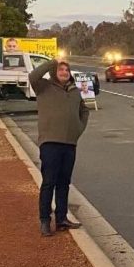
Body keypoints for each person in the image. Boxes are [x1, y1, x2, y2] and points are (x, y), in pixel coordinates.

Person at [28, 58, 90, 237]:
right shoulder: (44, 87)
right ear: (55, 72)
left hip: (69, 144)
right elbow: (33, 75)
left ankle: (61, 218)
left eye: (66, 70)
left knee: (64, 183)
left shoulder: (75, 91)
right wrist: (53, 61)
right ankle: (45, 220)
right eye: (61, 70)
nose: (64, 72)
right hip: (50, 143)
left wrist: (78, 128)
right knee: (49, 182)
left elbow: (84, 111)